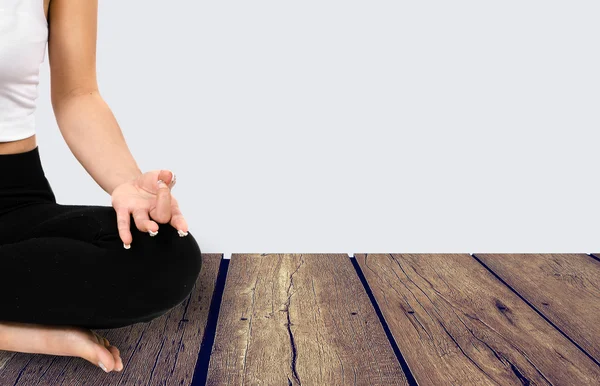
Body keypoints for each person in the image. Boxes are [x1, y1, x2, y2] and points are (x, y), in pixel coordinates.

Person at [0, 0, 202, 374]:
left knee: (167, 254)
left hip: (14, 197)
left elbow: (77, 94)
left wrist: (128, 186)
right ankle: (12, 332)